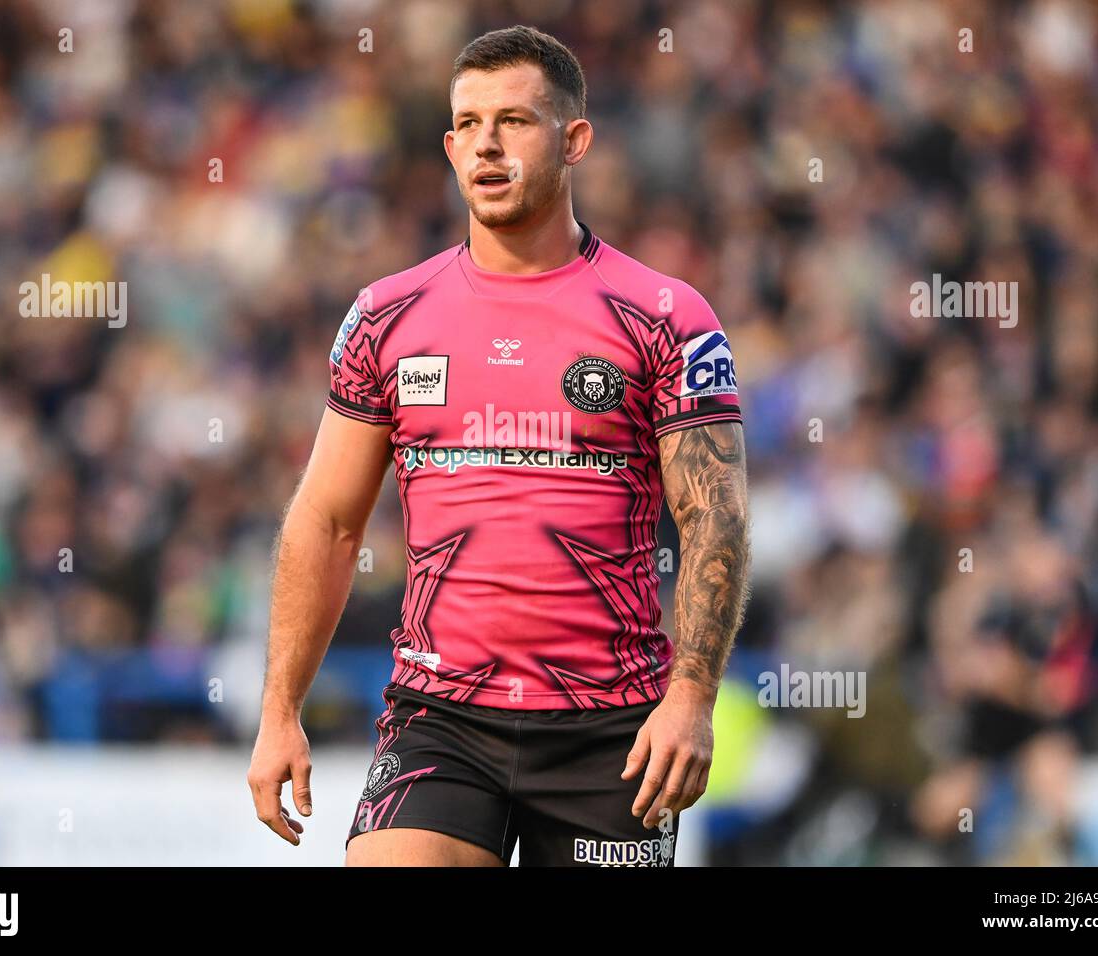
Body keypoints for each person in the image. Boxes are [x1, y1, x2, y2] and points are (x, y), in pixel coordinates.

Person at [247, 25, 751, 867]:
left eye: (515, 120)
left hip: (612, 728)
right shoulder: (386, 317)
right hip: (441, 716)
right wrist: (279, 708)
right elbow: (328, 521)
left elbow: (716, 521)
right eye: (470, 123)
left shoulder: (666, 316)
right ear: (448, 147)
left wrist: (692, 697)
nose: (487, 141)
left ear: (574, 139)